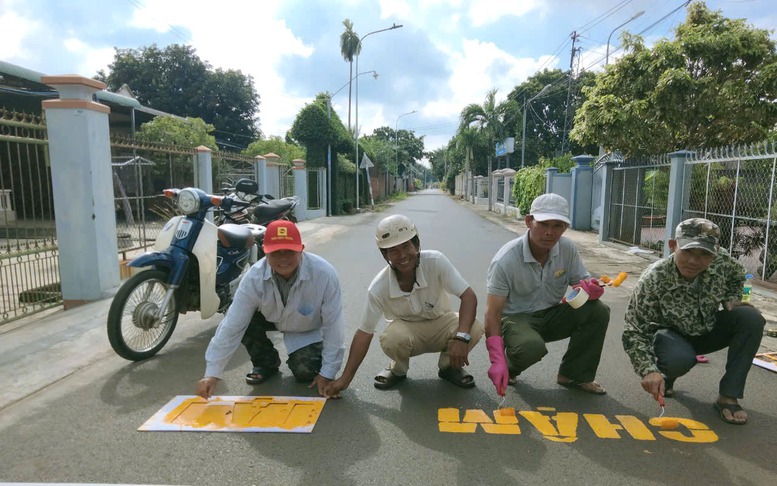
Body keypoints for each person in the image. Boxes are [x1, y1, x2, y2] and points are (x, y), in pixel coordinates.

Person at [623, 218, 765, 425]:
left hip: (706, 327)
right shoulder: (654, 278)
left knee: (751, 318)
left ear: (715, 251)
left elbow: (737, 276)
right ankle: (667, 374)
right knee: (677, 359)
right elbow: (634, 329)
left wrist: (731, 300)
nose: (694, 261)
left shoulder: (721, 260)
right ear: (673, 246)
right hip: (670, 335)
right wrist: (648, 370)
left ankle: (728, 395)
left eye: (704, 254)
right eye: (687, 251)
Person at [324, 214, 484, 397]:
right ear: (385, 255)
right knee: (392, 337)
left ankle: (449, 367)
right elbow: (364, 333)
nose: (402, 255)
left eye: (406, 246)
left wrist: (462, 337)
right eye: (393, 250)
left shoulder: (435, 262)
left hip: (441, 321)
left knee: (474, 327)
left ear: (416, 245)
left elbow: (468, 296)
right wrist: (345, 379)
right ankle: (398, 370)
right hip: (407, 331)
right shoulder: (378, 287)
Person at [195, 220, 345, 399]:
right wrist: (212, 373)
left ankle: (308, 358)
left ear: (301, 249)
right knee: (238, 316)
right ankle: (265, 362)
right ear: (265, 252)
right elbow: (232, 326)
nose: (283, 258)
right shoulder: (253, 278)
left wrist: (327, 373)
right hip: (270, 317)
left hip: (307, 326)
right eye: (275, 252)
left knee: (306, 371)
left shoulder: (324, 274)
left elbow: (333, 326)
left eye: (289, 251)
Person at [484, 193, 610, 396]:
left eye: (557, 226)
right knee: (530, 348)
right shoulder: (506, 260)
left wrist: (590, 289)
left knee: (597, 311)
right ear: (529, 221)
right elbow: (492, 312)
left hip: (551, 314)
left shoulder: (567, 249)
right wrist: (496, 358)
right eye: (543, 224)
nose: (550, 233)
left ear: (565, 228)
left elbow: (580, 283)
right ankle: (510, 366)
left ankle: (574, 375)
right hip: (516, 319)